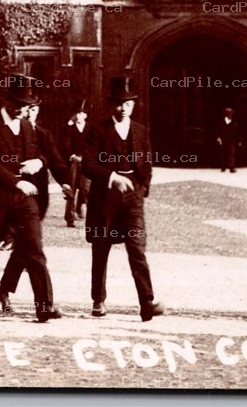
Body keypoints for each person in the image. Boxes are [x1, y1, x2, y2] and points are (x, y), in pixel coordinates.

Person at [0, 75, 58, 322]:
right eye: (18, 104)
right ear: (7, 101)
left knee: (34, 248)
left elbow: (43, 153)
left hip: (24, 198)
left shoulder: (28, 126)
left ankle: (44, 305)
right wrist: (15, 180)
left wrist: (39, 162)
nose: (22, 110)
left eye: (26, 105)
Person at [84, 76, 162, 322]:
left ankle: (147, 302)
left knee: (137, 248)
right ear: (111, 105)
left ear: (133, 105)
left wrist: (142, 187)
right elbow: (88, 164)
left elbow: (147, 161)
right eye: (118, 104)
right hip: (104, 198)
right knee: (101, 248)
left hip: (132, 199)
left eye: (127, 104)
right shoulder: (97, 129)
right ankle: (98, 299)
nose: (122, 108)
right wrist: (112, 177)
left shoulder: (140, 130)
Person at [60, 101, 90, 228]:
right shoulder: (69, 129)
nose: (79, 116)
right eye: (78, 113)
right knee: (71, 189)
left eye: (82, 113)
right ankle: (70, 218)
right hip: (73, 162)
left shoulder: (90, 128)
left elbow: (92, 145)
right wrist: (72, 156)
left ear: (86, 115)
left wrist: (86, 158)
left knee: (86, 189)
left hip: (86, 162)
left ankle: (89, 215)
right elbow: (65, 145)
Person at [217, 106, 239, 173]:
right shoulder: (221, 122)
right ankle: (223, 167)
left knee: (231, 154)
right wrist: (218, 138)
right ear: (226, 114)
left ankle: (231, 168)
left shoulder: (234, 122)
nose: (230, 115)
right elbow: (217, 131)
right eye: (229, 114)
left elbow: (237, 132)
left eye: (231, 113)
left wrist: (237, 140)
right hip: (223, 140)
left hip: (231, 141)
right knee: (223, 154)